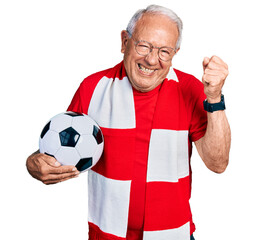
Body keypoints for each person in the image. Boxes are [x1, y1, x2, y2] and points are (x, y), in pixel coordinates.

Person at [26, 4, 231, 240]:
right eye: (144, 45)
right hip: (108, 235)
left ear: (175, 53)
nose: (152, 59)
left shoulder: (189, 89)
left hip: (173, 235)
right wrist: (34, 163)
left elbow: (218, 164)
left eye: (165, 51)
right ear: (125, 42)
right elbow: (61, 148)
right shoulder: (93, 88)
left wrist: (214, 98)